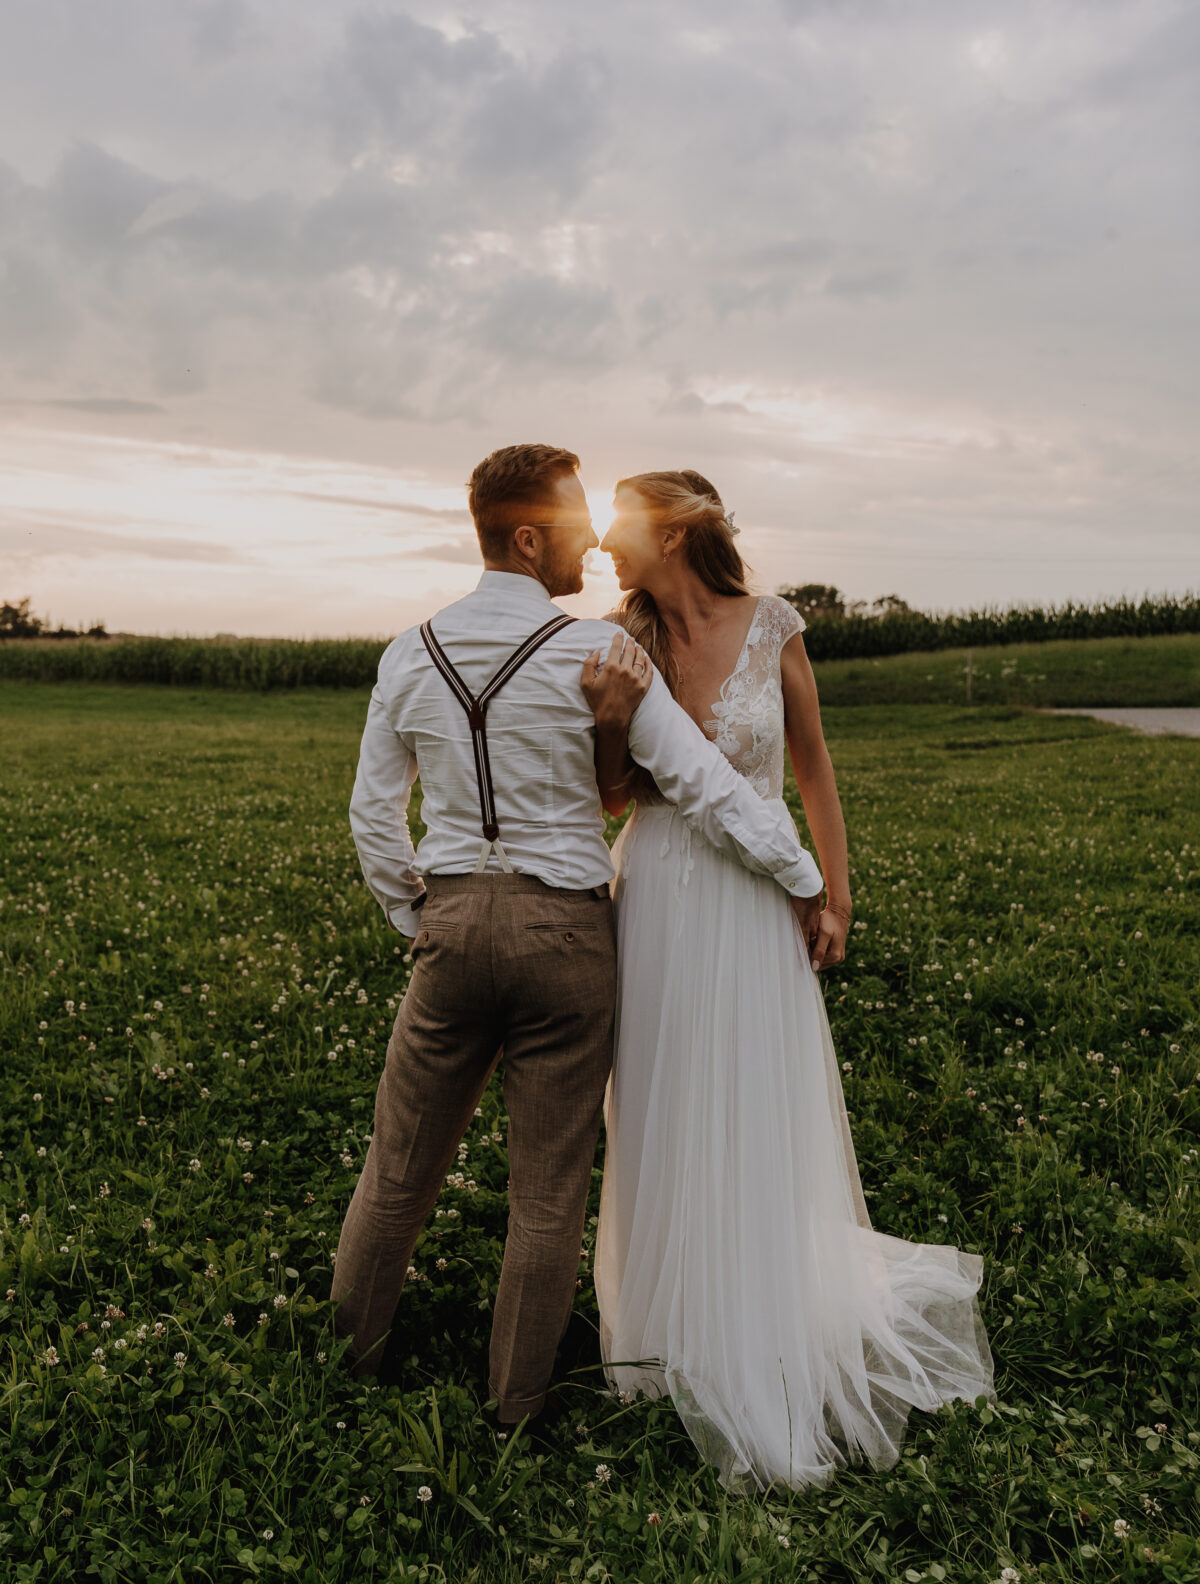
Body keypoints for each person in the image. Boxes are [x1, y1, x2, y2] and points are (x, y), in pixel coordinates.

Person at [331, 445, 826, 1431]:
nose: (588, 544)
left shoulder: (408, 653)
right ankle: (515, 1405)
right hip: (565, 936)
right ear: (525, 537)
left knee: (398, 1162)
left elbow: (372, 814)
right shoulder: (601, 660)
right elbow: (706, 788)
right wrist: (803, 876)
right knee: (549, 1185)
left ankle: (348, 1361)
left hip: (456, 920)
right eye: (568, 526)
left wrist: (414, 910)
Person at [584, 469, 994, 1491]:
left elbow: (813, 770)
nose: (601, 547)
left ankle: (764, 1303)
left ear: (675, 535)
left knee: (755, 1095)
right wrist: (609, 719)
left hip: (758, 902)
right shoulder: (620, 640)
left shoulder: (775, 626)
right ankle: (671, 1320)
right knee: (663, 1098)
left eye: (618, 528)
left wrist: (836, 894)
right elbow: (610, 794)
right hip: (663, 896)